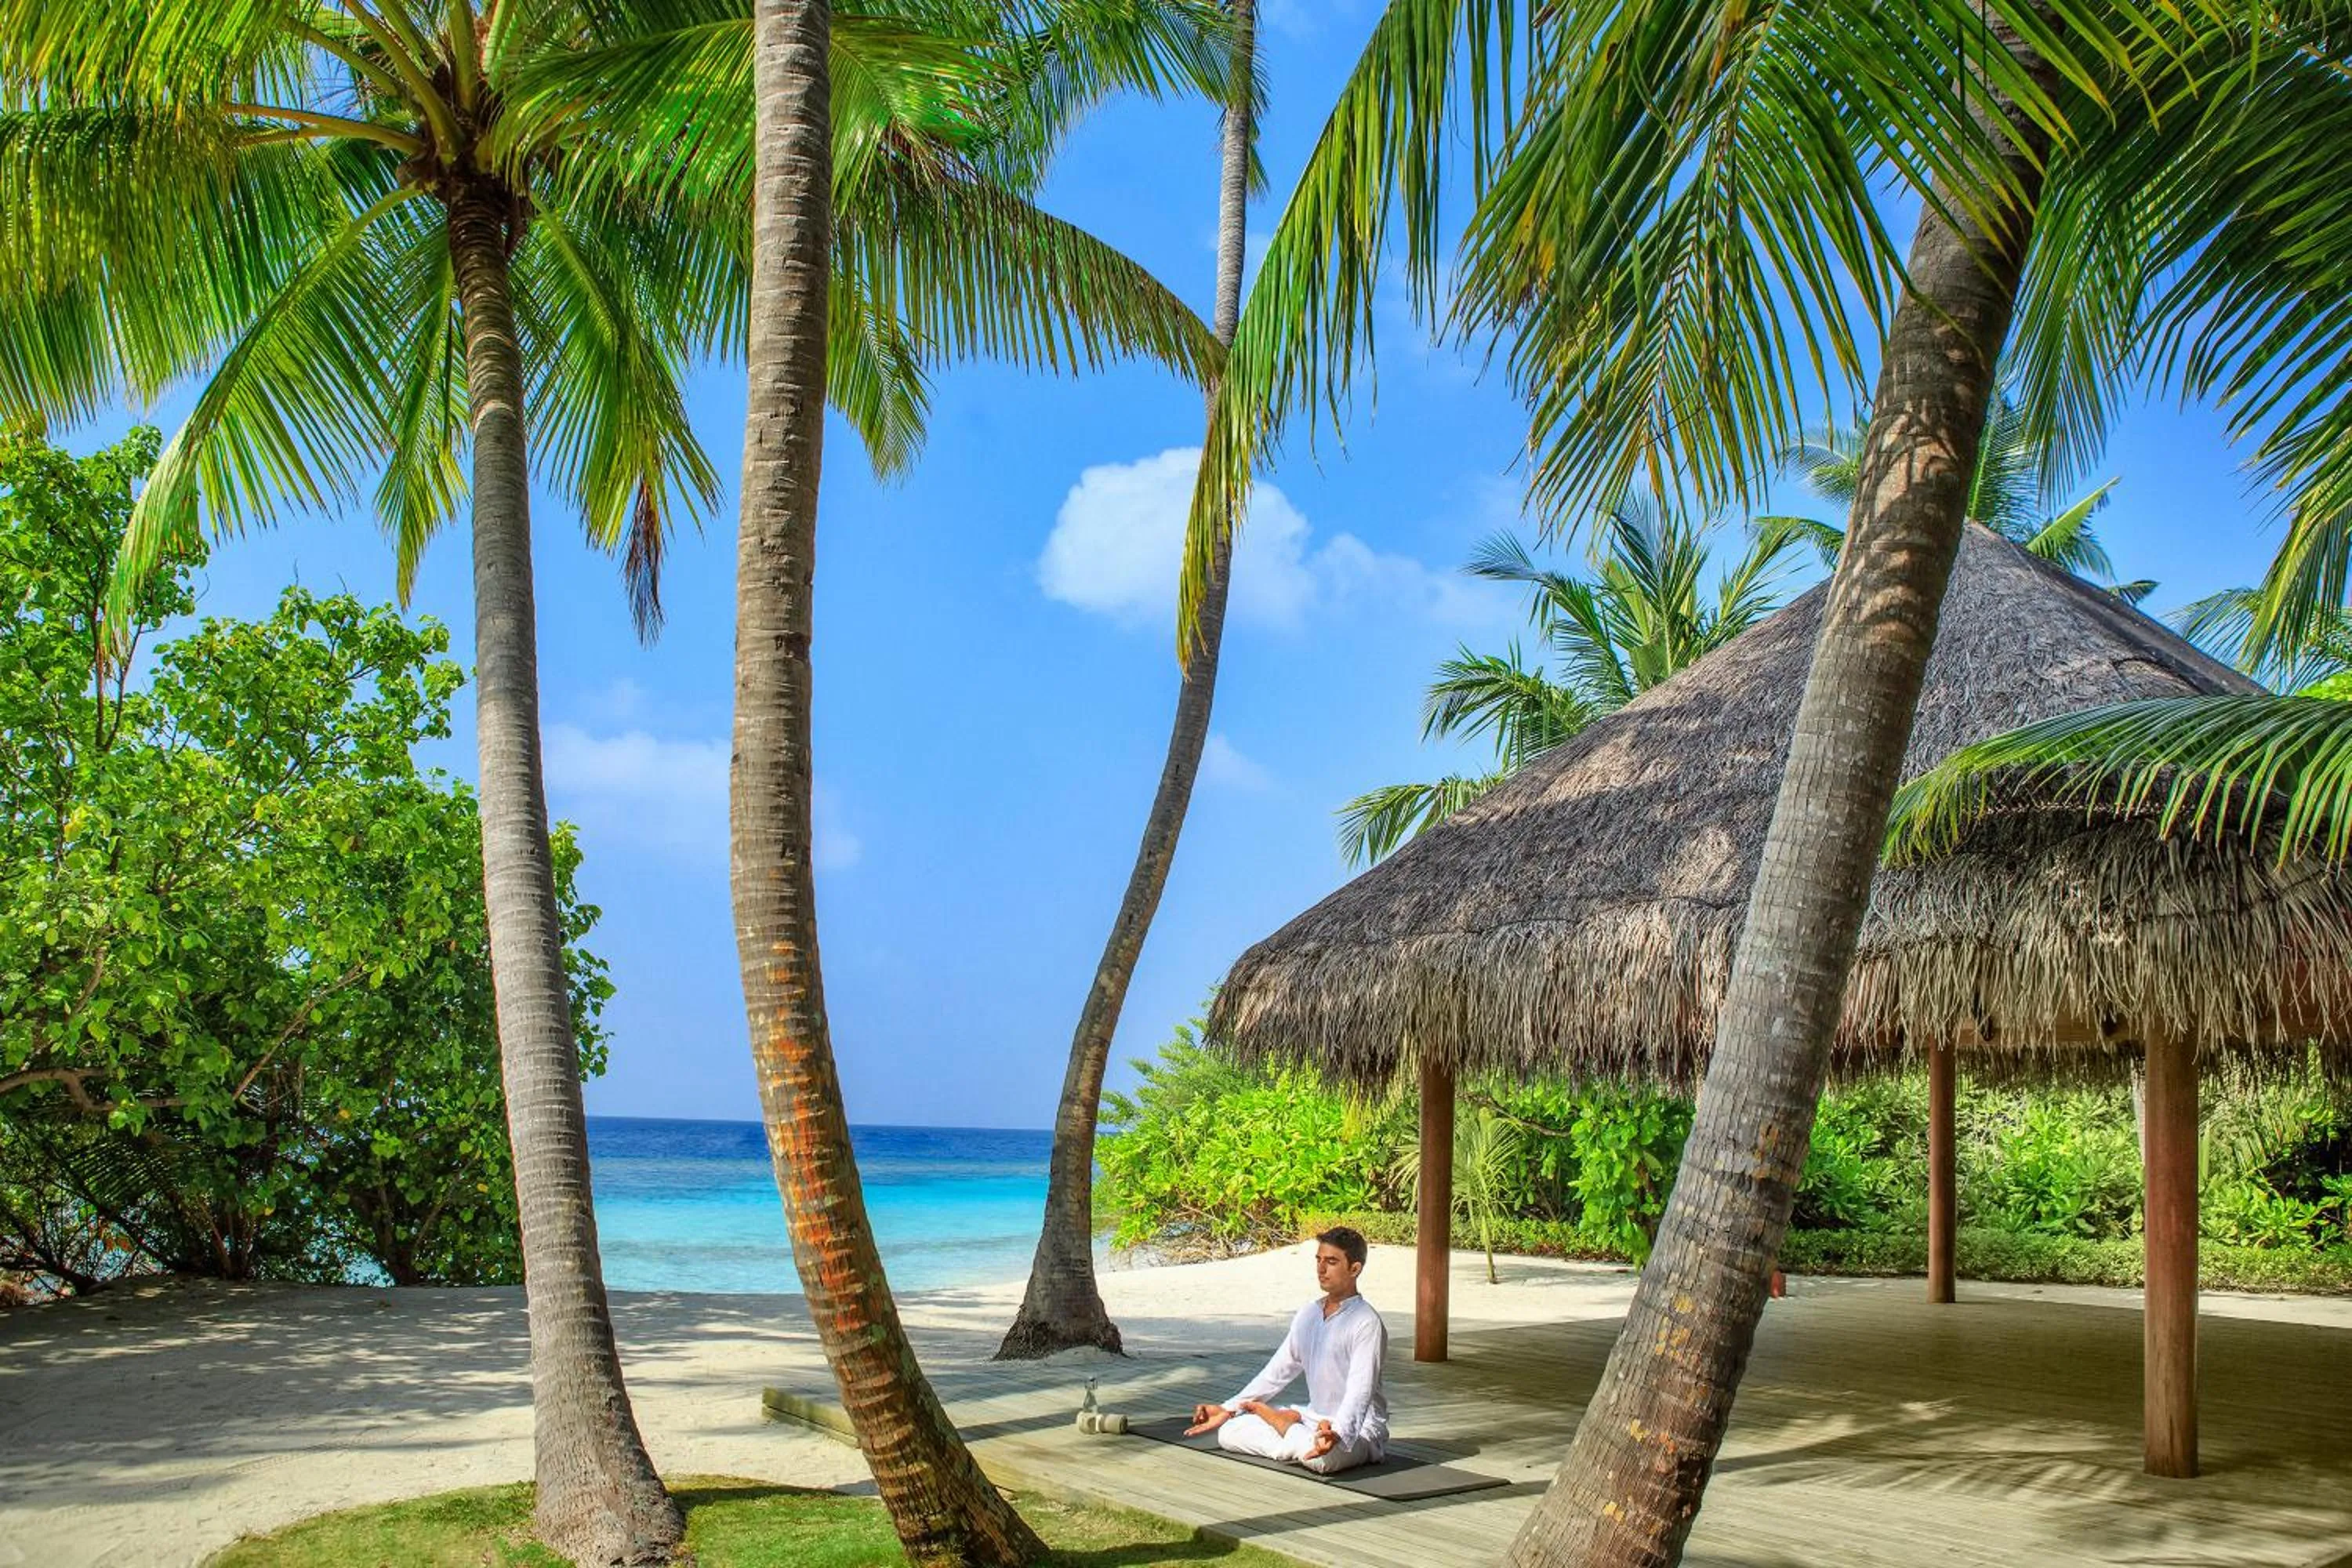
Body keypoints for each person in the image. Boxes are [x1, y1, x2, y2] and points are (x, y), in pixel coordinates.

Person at [1184, 1225, 1388, 1475]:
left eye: (1332, 1262)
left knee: (1322, 1461)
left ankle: (1284, 1426)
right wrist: (1229, 1408)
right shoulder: (1309, 1314)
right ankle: (1290, 1431)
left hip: (1358, 1430)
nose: (1321, 1269)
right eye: (1319, 1260)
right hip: (1312, 1421)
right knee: (1228, 1432)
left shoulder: (1366, 1322)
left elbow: (1360, 1391)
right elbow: (1277, 1372)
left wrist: (1338, 1433)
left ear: (1354, 1269)